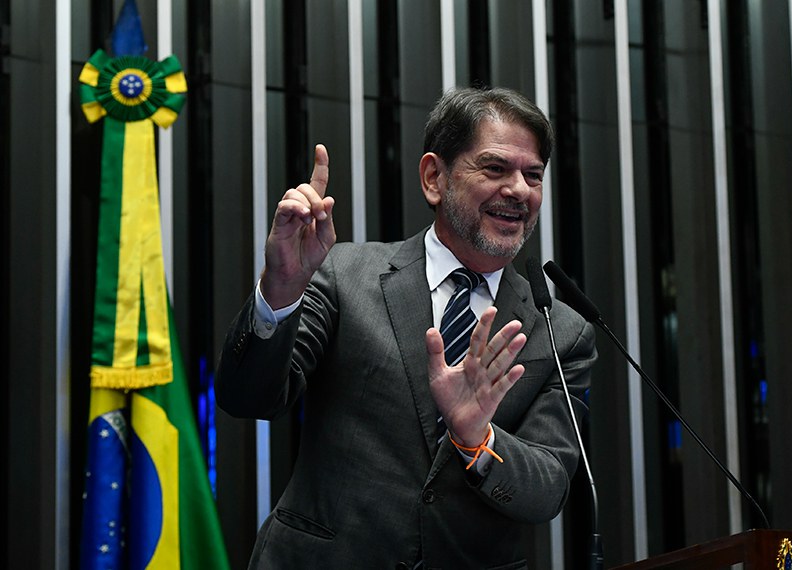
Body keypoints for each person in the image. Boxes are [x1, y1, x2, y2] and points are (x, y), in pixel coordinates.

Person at [215, 86, 597, 568]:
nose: (519, 190)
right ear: (435, 177)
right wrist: (282, 290)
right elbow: (247, 398)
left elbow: (547, 491)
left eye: (533, 175)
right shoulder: (345, 274)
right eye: (496, 168)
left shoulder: (562, 334)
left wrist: (479, 439)